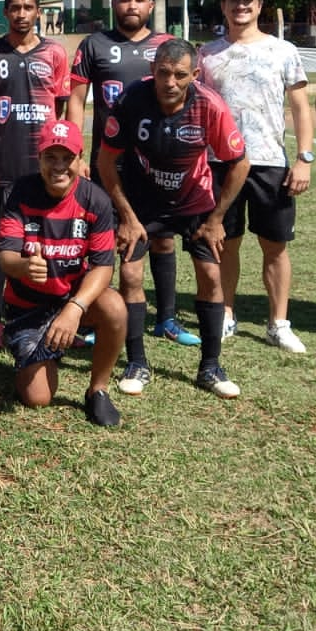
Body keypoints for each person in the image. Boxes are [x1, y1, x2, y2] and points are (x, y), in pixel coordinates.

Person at [97, 39, 250, 398]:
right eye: (163, 73)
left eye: (180, 75)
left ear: (195, 75)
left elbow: (239, 162)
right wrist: (127, 216)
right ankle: (137, 362)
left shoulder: (210, 105)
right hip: (143, 201)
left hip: (194, 202)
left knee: (211, 275)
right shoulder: (133, 99)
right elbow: (106, 160)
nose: (170, 82)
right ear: (152, 71)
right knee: (131, 272)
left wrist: (217, 220)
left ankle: (210, 367)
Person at [66, 0, 190, 348]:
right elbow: (75, 100)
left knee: (163, 241)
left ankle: (165, 319)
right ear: (114, 3)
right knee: (102, 241)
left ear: (151, 6)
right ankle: (95, 315)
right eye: (125, 0)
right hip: (110, 162)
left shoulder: (167, 46)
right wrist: (75, 151)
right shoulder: (94, 45)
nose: (131, 6)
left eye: (139, 0)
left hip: (158, 163)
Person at [197, 0, 313, 354]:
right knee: (225, 243)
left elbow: (300, 107)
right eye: (234, 0)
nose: (241, 6)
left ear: (260, 6)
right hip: (222, 163)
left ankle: (279, 323)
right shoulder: (207, 54)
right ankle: (226, 314)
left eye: (248, 0)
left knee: (275, 246)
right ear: (224, 7)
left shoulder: (283, 51)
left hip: (270, 163)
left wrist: (304, 159)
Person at [0, 118, 127, 427]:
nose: (59, 166)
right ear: (38, 158)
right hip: (27, 306)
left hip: (71, 300)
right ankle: (36, 348)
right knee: (38, 399)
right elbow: (6, 257)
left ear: (80, 159)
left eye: (67, 158)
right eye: (50, 157)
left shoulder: (96, 200)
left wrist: (75, 307)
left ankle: (98, 390)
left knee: (115, 307)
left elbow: (103, 266)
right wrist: (25, 266)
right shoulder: (18, 193)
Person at [0, 0, 72, 352]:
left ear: (38, 12)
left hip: (47, 167)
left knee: (54, 240)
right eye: (14, 7)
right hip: (6, 165)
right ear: (5, 11)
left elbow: (62, 109)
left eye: (28, 7)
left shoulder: (55, 53)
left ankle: (53, 313)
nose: (21, 14)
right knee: (4, 244)